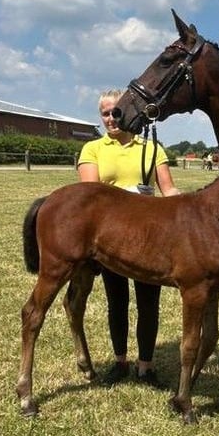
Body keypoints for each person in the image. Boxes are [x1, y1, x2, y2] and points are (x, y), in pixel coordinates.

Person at [77, 89, 180, 385]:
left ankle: (145, 365)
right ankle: (120, 362)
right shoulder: (92, 149)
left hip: (149, 235)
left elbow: (169, 190)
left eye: (116, 112)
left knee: (149, 302)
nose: (111, 118)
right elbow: (89, 194)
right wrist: (131, 196)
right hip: (110, 237)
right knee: (116, 299)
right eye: (106, 113)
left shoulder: (151, 147)